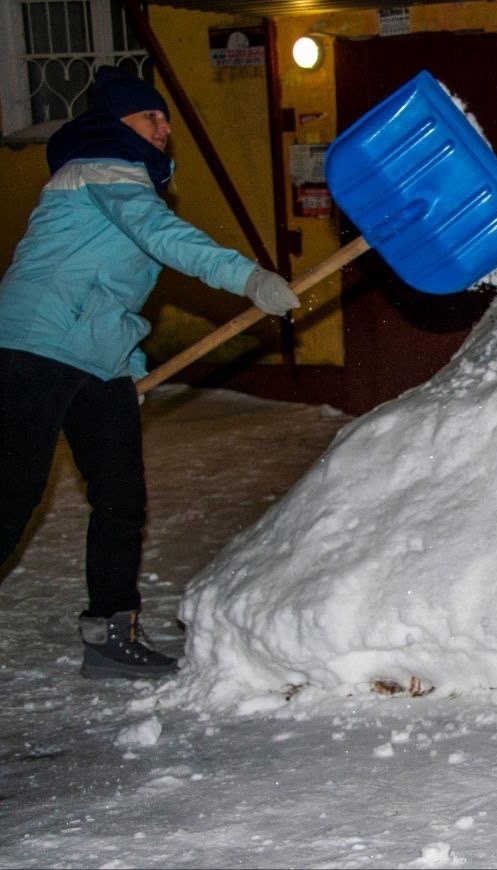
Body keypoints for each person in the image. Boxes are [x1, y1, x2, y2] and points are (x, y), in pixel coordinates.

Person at [0, 65, 299, 680]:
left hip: (95, 361)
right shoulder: (101, 167)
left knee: (121, 499)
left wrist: (126, 369)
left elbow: (118, 296)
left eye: (164, 118)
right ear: (116, 124)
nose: (163, 128)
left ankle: (111, 633)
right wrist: (245, 277)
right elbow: (164, 237)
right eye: (149, 117)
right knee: (13, 493)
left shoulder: (129, 179)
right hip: (33, 346)